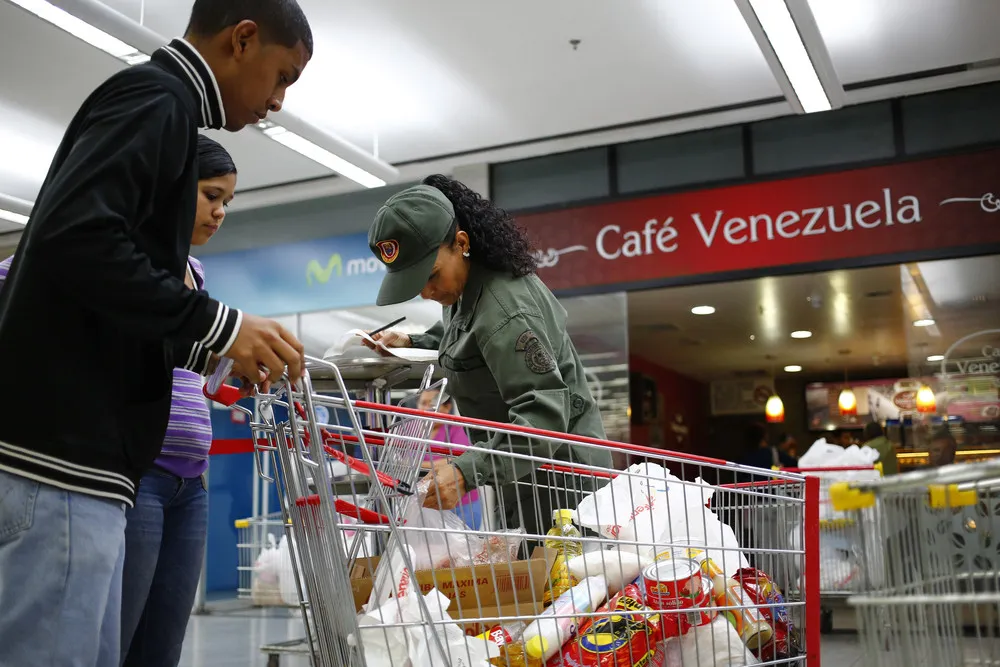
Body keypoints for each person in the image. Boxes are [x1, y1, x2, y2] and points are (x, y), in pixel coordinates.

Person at [0, 2, 311, 665]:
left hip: (85, 472)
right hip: (62, 465)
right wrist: (219, 322)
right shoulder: (158, 99)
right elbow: (75, 241)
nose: (278, 101)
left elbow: (108, 299)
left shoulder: (163, 106)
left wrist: (208, 345)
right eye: (282, 76)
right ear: (243, 39)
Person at [0, 135, 236, 667]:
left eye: (227, 202)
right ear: (172, 188)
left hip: (191, 482)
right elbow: (23, 284)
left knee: (162, 647)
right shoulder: (109, 257)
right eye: (210, 196)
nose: (220, 212)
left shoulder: (194, 272)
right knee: (112, 641)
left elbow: (175, 354)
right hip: (133, 472)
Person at [363, 175, 613, 540]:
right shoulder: (467, 288)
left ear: (461, 243)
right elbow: (466, 336)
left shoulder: (506, 309)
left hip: (563, 486)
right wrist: (412, 340)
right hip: (524, 474)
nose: (427, 292)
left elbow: (544, 414)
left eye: (431, 276)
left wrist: (467, 471)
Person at [416, 388, 482, 529]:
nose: (426, 408)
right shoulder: (413, 431)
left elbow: (460, 459)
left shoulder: (456, 429)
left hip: (462, 505)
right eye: (423, 403)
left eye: (432, 404)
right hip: (430, 504)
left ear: (447, 408)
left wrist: (417, 465)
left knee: (464, 542)